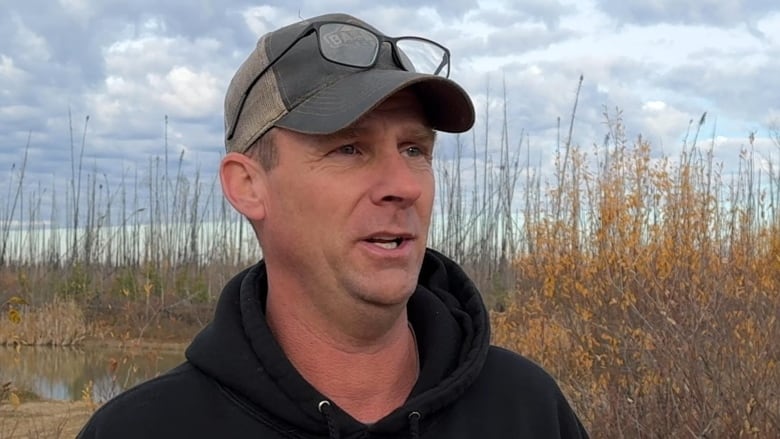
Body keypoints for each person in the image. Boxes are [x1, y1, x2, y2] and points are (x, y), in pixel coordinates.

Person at [77, 12, 588, 438]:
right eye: (349, 148)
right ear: (248, 187)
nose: (402, 185)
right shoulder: (144, 429)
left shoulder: (526, 410)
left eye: (414, 149)